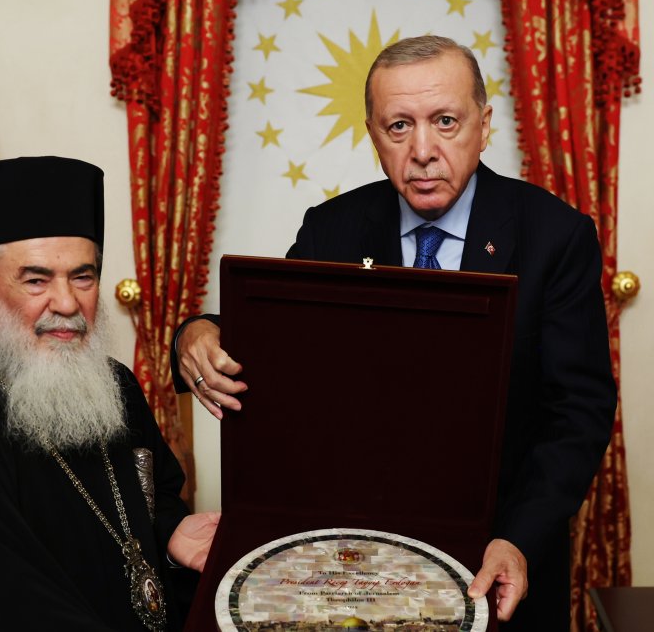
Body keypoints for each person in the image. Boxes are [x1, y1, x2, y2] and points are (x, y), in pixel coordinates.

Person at [172, 36, 617, 630]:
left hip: (496, 549)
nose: (424, 151)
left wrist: (520, 537)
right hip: (352, 560)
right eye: (399, 126)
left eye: (446, 122)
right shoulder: (333, 228)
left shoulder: (555, 236)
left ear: (485, 126)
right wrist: (197, 330)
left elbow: (578, 413)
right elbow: (279, 344)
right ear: (373, 135)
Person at [0, 157, 218, 631]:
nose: (68, 303)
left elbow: (149, 500)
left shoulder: (115, 386)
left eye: (83, 276)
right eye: (36, 280)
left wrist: (171, 534)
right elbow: (0, 602)